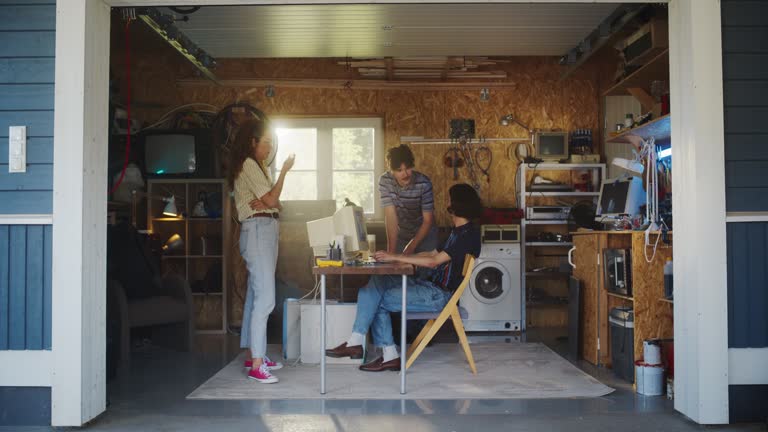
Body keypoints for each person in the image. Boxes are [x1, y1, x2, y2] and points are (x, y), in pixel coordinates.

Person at [326, 183, 482, 371]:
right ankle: (356, 341)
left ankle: (388, 354)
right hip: (430, 288)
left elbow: (434, 262)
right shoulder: (457, 232)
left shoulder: (467, 236)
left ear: (456, 205)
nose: (447, 202)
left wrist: (395, 257)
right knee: (377, 282)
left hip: (438, 296)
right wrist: (401, 260)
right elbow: (430, 253)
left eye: (450, 199)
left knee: (379, 299)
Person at [229, 118, 295, 384]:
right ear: (252, 142)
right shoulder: (248, 164)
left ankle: (253, 354)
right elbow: (271, 200)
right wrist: (285, 173)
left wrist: (271, 202)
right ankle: (257, 365)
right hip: (257, 232)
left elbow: (273, 204)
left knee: (257, 296)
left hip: (264, 229)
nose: (270, 148)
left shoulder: (258, 167)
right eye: (265, 142)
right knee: (266, 299)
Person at [379, 145, 438, 255]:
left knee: (425, 270)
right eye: (399, 170)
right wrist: (391, 253)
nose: (405, 174)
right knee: (396, 266)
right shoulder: (385, 181)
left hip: (426, 233)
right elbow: (391, 217)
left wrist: (411, 247)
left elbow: (427, 220)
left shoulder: (424, 183)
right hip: (403, 234)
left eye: (408, 168)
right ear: (391, 170)